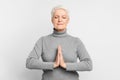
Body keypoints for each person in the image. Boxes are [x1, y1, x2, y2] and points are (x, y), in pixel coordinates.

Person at [26, 5, 93, 80]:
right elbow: (29, 62)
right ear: (52, 20)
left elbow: (88, 64)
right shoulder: (43, 40)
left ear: (68, 20)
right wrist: (53, 64)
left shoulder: (76, 41)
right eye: (56, 17)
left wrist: (65, 65)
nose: (60, 20)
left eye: (63, 17)